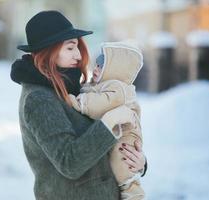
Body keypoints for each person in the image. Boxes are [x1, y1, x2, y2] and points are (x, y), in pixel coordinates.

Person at [10, 10, 147, 200]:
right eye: (70, 48)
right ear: (48, 50)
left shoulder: (70, 87)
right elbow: (69, 162)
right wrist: (109, 122)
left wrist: (137, 162)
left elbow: (101, 147)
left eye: (78, 47)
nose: (79, 55)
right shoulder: (39, 99)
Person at [69, 41, 145, 200]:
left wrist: (78, 102)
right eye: (96, 64)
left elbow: (102, 104)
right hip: (113, 137)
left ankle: (134, 195)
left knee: (123, 168)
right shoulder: (100, 85)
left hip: (125, 138)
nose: (95, 69)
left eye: (101, 66)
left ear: (115, 69)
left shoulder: (119, 88)